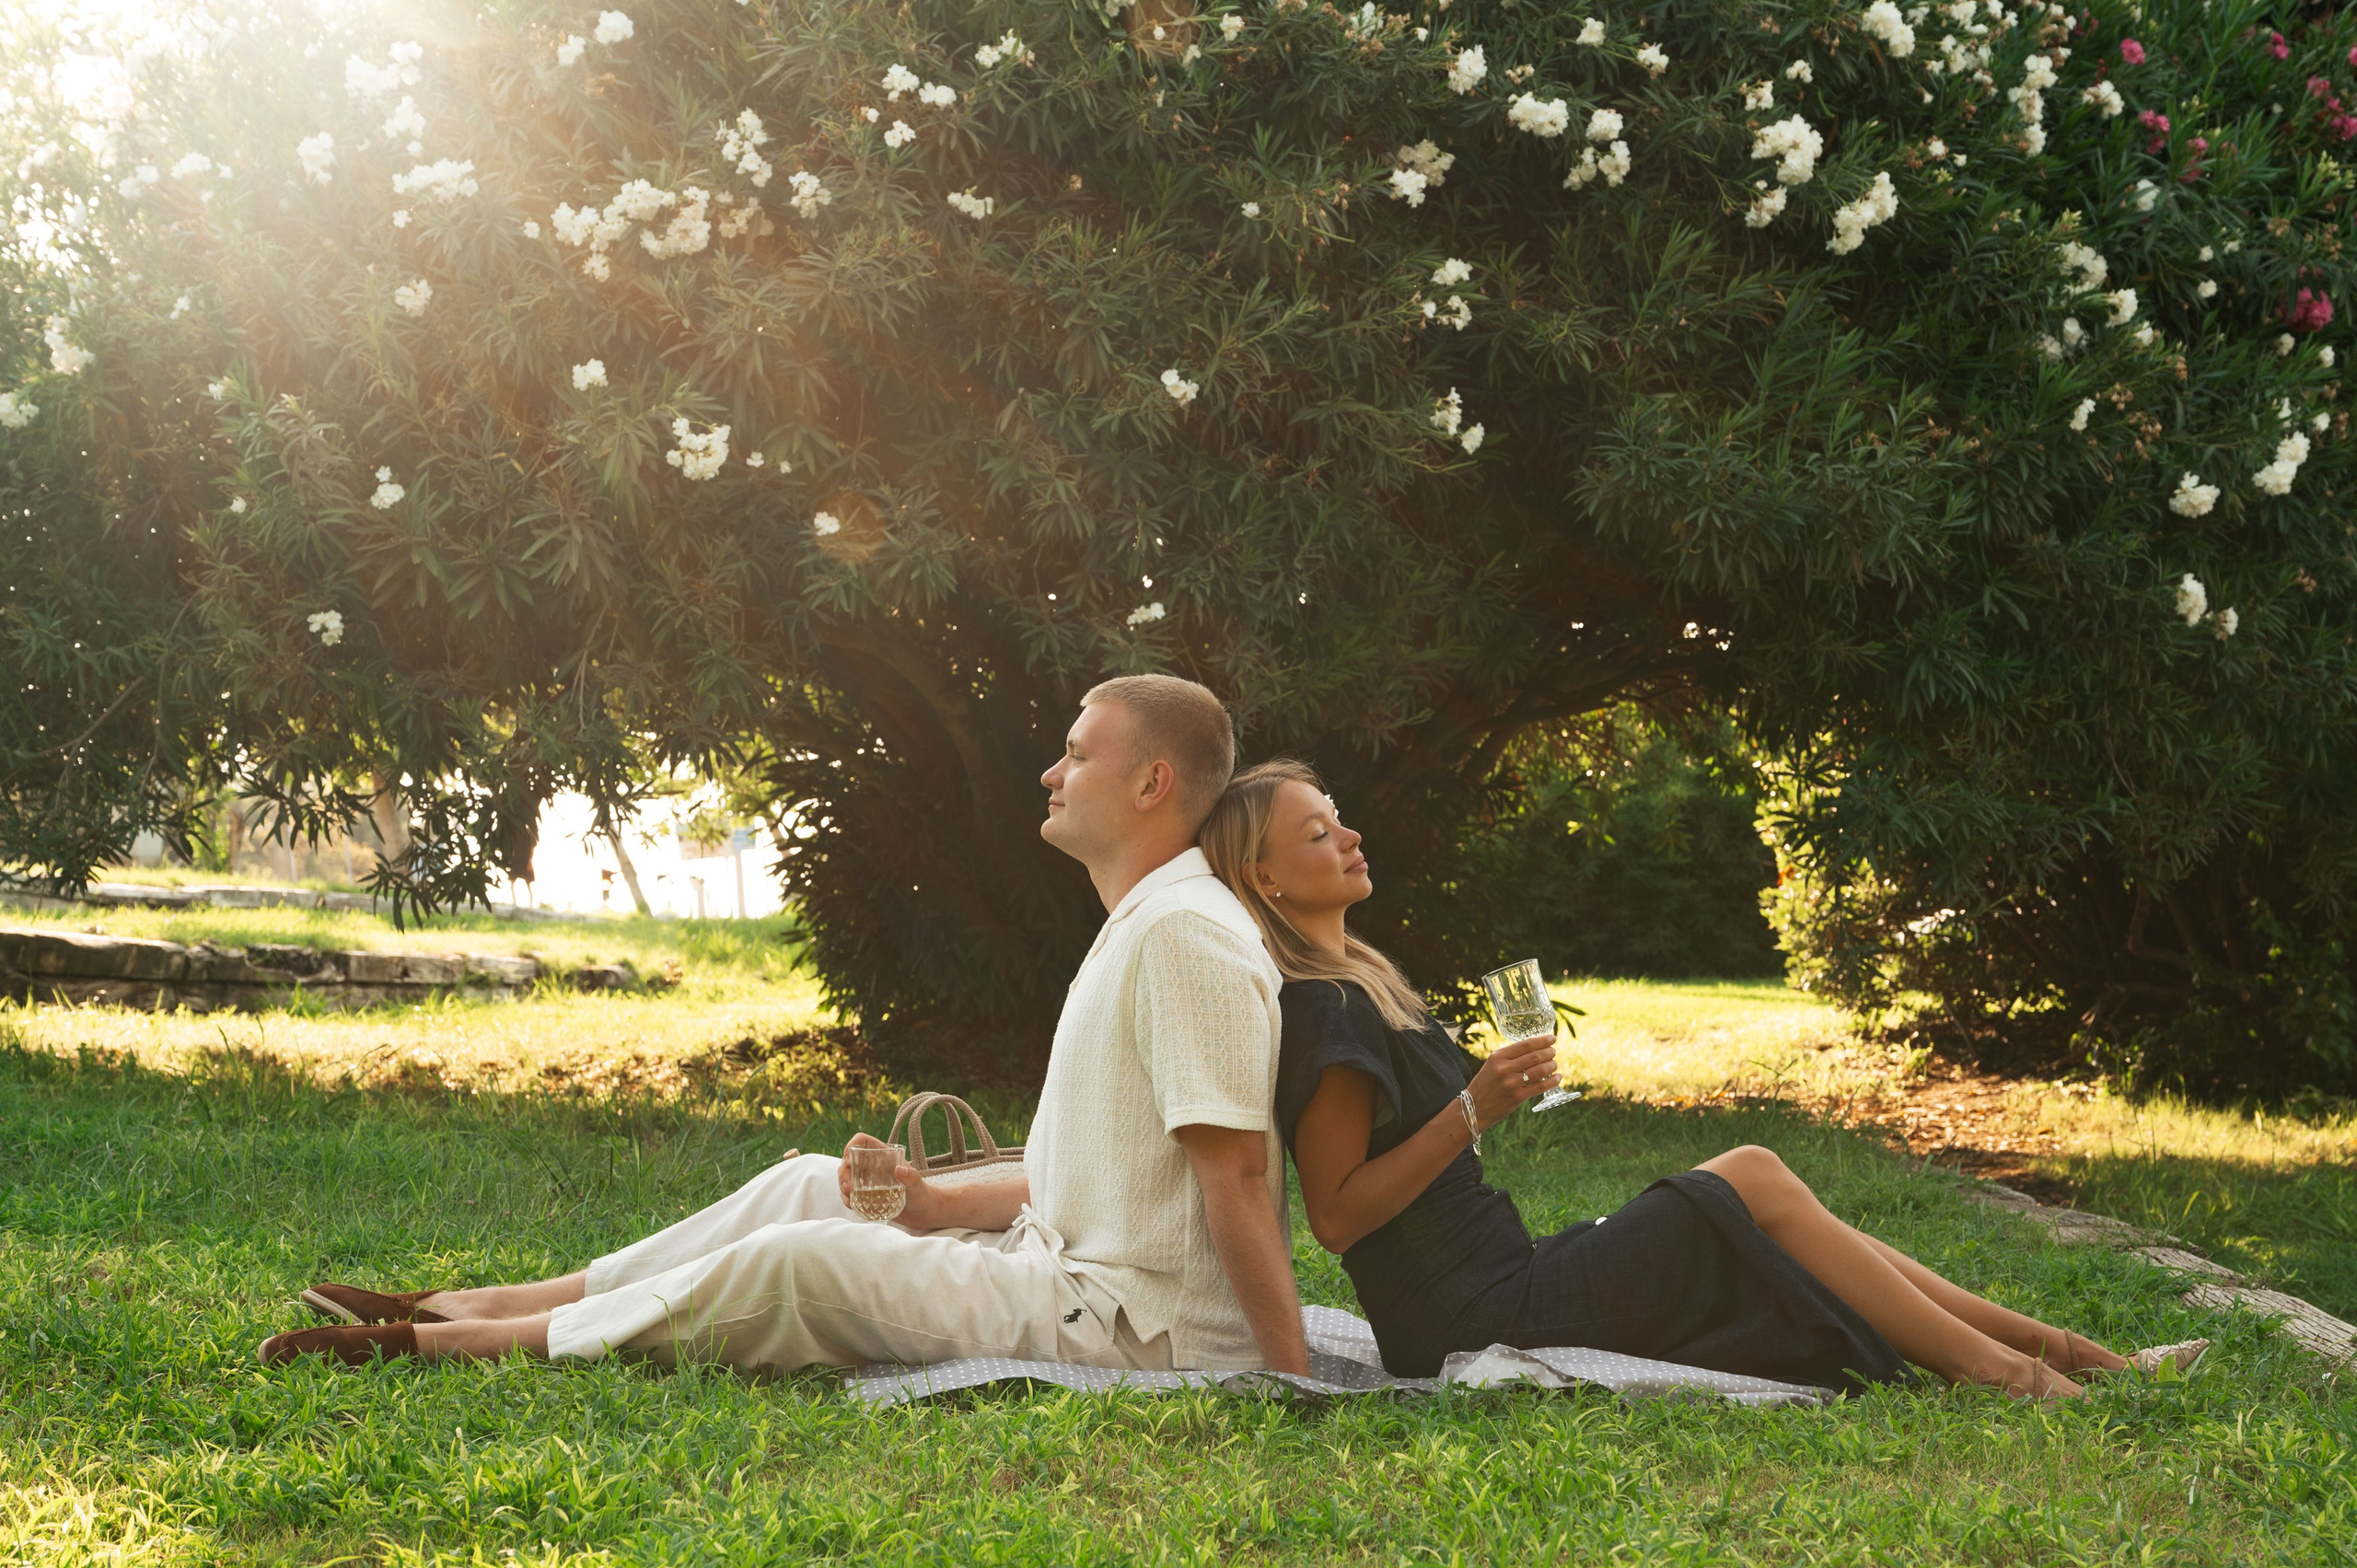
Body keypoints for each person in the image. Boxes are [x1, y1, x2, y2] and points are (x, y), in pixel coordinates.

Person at [263, 676, 1309, 1379]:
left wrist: (1290, 1376)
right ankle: (478, 1298)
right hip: (1064, 1263)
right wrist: (932, 1201)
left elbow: (1233, 1179)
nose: (1050, 770)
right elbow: (1096, 1171)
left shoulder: (1183, 934)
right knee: (809, 1179)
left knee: (805, 1258)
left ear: (1150, 782)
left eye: (1075, 754)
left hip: (1132, 1324)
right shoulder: (1145, 921)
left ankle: (477, 1340)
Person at [1197, 759, 2207, 1400]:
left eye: (1339, 816)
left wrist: (1487, 1099)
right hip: (1474, 1311)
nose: (1350, 834)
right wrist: (1475, 1105)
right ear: (1266, 877)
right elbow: (1335, 1216)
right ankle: (2014, 1371)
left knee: (1770, 1200)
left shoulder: (1362, 976)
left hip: (1506, 1267)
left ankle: (2062, 1352)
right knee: (1754, 1173)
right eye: (1318, 831)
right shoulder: (1319, 1009)